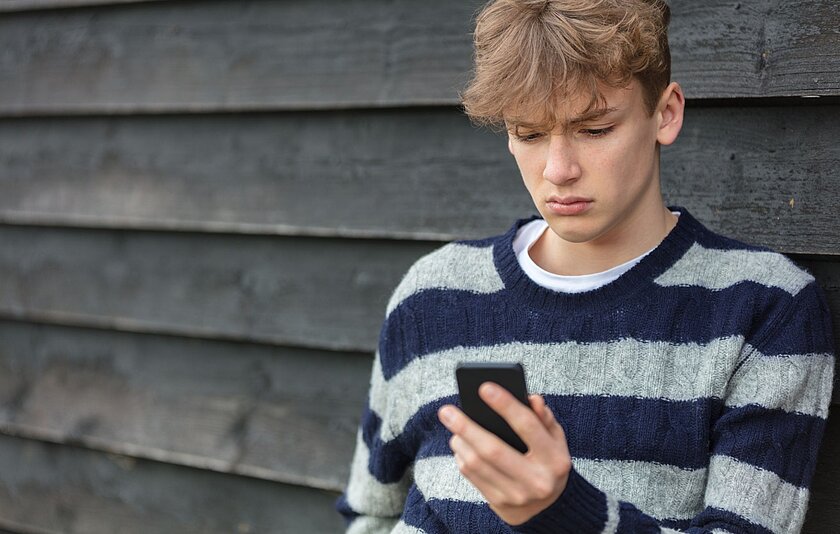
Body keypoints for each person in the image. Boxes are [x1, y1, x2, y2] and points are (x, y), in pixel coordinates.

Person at [336, 0, 835, 532]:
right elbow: (371, 513)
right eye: (529, 133)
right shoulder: (433, 295)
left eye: (594, 129)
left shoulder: (764, 308)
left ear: (665, 113)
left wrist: (561, 510)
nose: (558, 170)